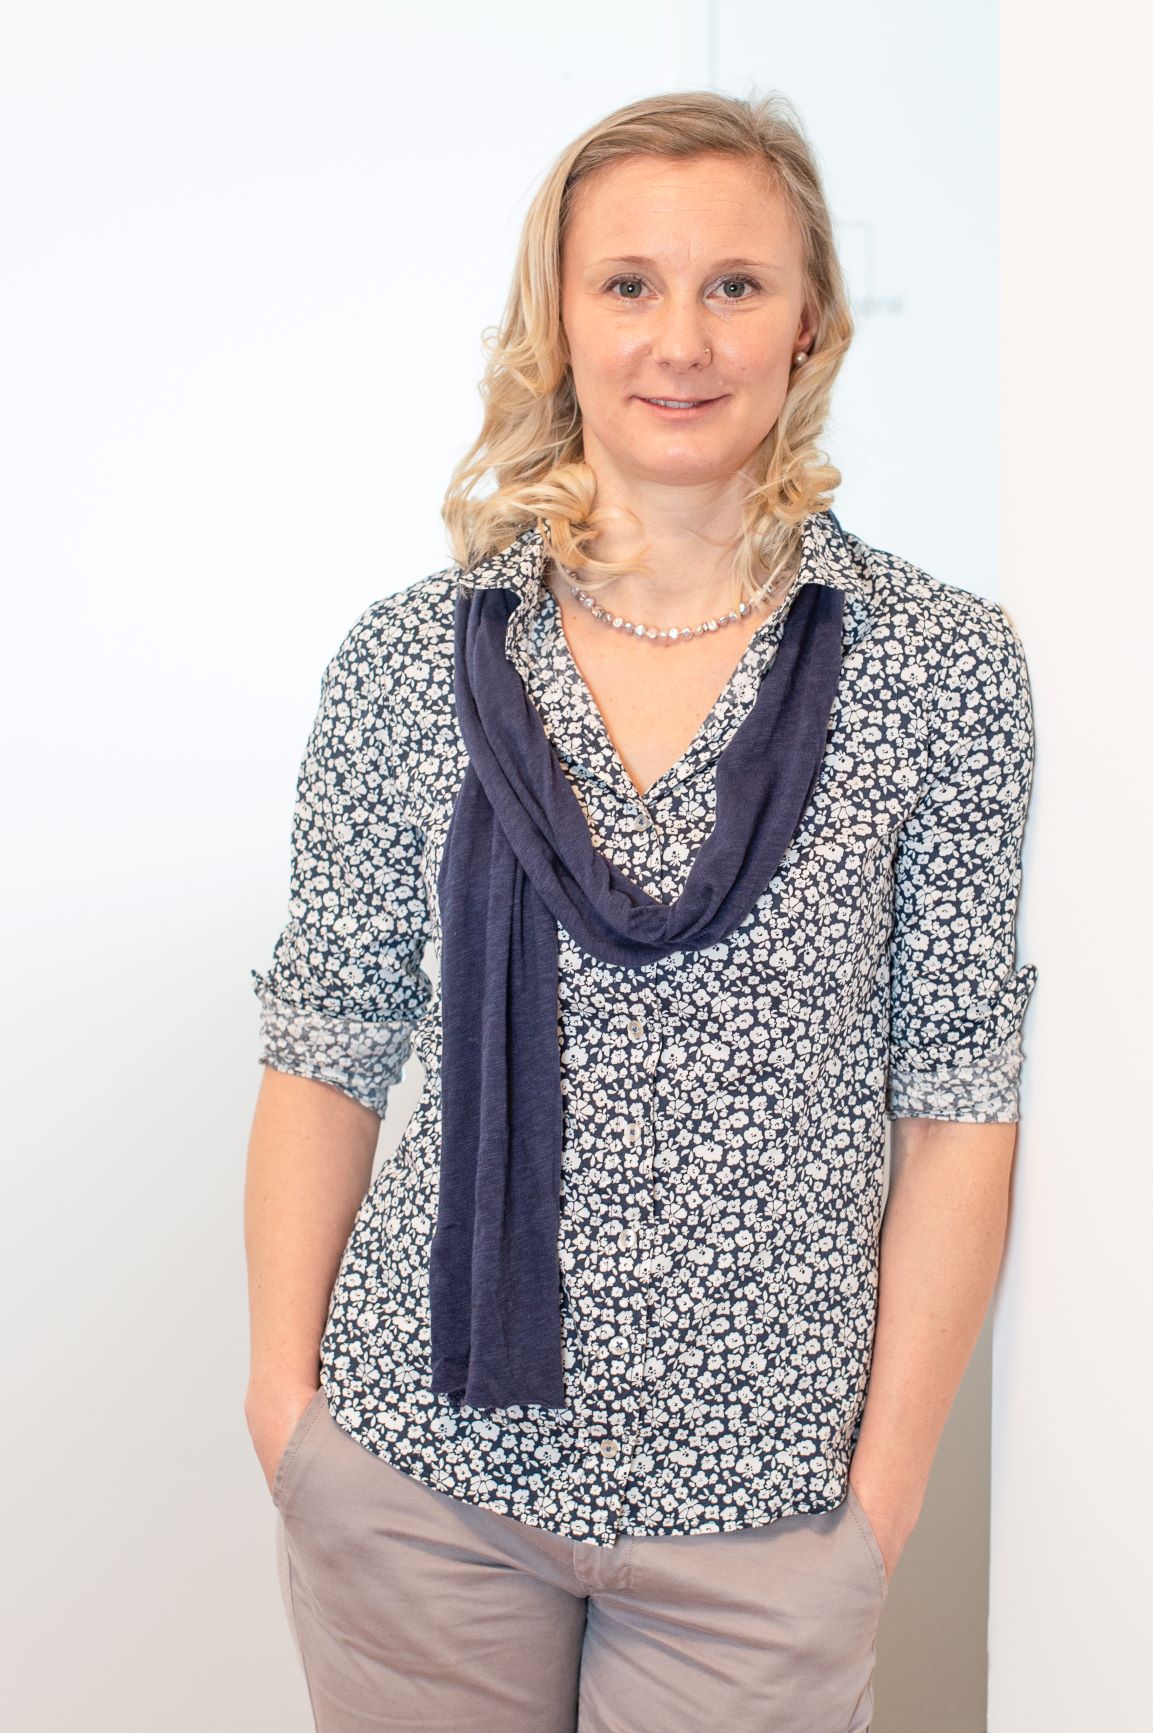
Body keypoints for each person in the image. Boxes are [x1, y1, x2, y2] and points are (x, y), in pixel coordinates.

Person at [243, 88, 1037, 1733]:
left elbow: (957, 1097)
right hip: (420, 1473)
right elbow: (327, 1041)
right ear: (558, 317)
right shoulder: (410, 660)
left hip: (767, 1505)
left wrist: (879, 1501)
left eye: (734, 284)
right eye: (628, 284)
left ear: (807, 319)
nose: (681, 339)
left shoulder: (941, 667)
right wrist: (285, 1408)